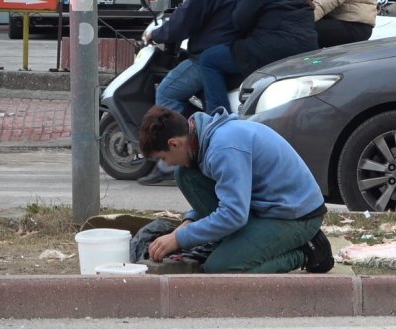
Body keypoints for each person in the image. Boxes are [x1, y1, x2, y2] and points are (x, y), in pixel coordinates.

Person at [139, 105, 334, 274]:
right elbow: (223, 195)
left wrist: (180, 238)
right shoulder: (202, 137)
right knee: (185, 175)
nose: (168, 164)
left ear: (174, 144)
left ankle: (306, 252)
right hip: (262, 208)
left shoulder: (223, 148)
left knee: (219, 269)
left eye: (164, 158)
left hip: (296, 216)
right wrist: (189, 222)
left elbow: (234, 214)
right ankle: (232, 241)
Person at [137, 0, 252, 185]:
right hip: (241, 55)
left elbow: (184, 20)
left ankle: (171, 160)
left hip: (209, 55)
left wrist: (156, 34)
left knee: (167, 92)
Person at [197, 0, 319, 113]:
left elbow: (240, 21)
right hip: (306, 45)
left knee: (209, 59)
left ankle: (218, 118)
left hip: (273, 48)